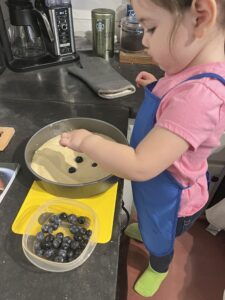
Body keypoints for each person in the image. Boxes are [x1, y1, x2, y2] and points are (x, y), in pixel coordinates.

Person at [60, 0, 225, 297]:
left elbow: (140, 165)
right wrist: (160, 84)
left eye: (150, 27)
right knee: (149, 223)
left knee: (161, 239)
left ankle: (159, 265)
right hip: (156, 190)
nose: (144, 40)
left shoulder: (200, 97)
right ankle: (150, 234)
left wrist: (87, 141)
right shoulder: (191, 72)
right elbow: (179, 99)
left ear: (200, 17)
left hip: (174, 203)